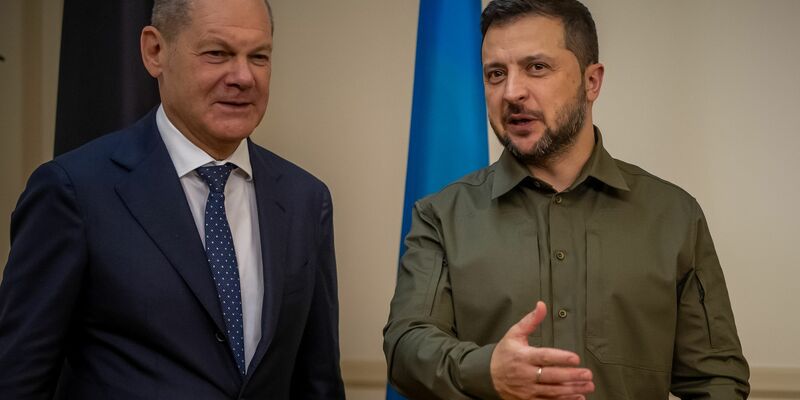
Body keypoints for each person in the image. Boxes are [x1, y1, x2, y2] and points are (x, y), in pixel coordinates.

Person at [383, 0, 749, 398]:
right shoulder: (441, 216)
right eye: (495, 74)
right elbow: (406, 346)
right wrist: (486, 370)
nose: (512, 92)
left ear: (592, 82)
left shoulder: (674, 216)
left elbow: (716, 381)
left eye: (536, 67)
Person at [0, 0, 345, 398]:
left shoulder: (306, 199)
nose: (243, 76)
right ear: (155, 51)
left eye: (259, 57)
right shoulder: (74, 191)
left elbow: (318, 381)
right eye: (218, 53)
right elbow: (18, 379)